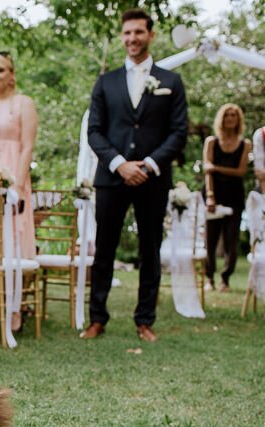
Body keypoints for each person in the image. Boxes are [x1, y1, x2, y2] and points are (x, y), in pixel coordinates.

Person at [84, 8, 188, 342]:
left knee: (150, 250)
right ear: (122, 36)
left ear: (151, 35)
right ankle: (97, 318)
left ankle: (145, 320)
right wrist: (119, 164)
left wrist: (149, 164)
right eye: (127, 33)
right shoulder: (106, 82)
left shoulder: (170, 81)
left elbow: (179, 131)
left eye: (139, 32)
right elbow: (95, 132)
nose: (132, 38)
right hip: (111, 178)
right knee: (104, 249)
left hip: (152, 180)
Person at [0, 50, 38, 330]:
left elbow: (28, 145)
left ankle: (15, 305)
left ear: (11, 74)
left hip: (12, 176)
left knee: (14, 240)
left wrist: (17, 182)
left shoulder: (22, 103)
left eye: (0, 70)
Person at [203, 103, 251, 292]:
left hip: (234, 195)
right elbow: (207, 173)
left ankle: (225, 278)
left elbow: (241, 171)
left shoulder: (245, 144)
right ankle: (209, 278)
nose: (230, 118)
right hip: (214, 193)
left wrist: (214, 167)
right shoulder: (211, 142)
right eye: (227, 115)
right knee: (210, 239)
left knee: (232, 239)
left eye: (234, 115)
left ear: (238, 119)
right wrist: (210, 196)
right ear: (221, 119)